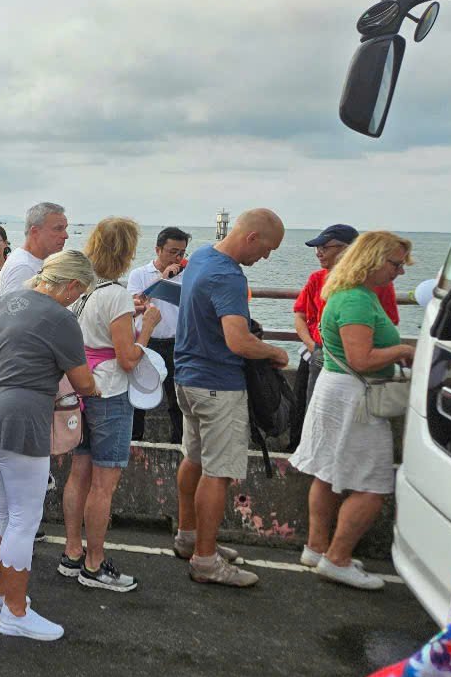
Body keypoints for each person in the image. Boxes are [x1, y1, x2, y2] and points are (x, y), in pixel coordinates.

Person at [0, 250, 97, 641]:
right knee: (24, 519)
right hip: (25, 417)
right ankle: (15, 611)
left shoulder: (3, 302)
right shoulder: (62, 318)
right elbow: (83, 384)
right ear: (73, 286)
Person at [290, 231, 415, 590]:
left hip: (336, 390)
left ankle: (316, 548)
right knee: (373, 486)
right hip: (354, 399)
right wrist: (402, 351)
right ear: (372, 260)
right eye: (395, 264)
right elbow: (361, 358)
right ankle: (338, 558)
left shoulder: (344, 293)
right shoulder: (359, 300)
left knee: (327, 473)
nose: (399, 272)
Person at [173, 208, 289, 587]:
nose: (266, 258)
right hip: (218, 384)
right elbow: (237, 340)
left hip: (187, 378)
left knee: (193, 457)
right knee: (218, 472)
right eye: (267, 249)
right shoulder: (229, 277)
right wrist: (274, 353)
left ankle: (189, 536)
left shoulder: (204, 257)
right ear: (251, 238)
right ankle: (205, 560)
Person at [60, 218, 159, 592]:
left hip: (81, 388)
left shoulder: (84, 289)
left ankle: (72, 553)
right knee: (104, 484)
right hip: (109, 394)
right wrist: (146, 324)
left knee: (79, 472)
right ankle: (95, 563)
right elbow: (129, 357)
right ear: (127, 252)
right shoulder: (115, 294)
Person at [290, 224, 400, 452]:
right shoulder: (320, 280)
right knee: (307, 411)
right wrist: (313, 347)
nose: (319, 252)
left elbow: (388, 322)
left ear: (349, 249)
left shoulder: (377, 286)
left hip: (345, 365)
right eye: (317, 248)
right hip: (321, 355)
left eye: (325, 247)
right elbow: (299, 315)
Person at [127, 226, 190, 443]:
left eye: (182, 253)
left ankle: (179, 442)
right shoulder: (140, 274)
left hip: (176, 341)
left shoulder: (187, 275)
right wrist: (162, 280)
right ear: (158, 249)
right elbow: (136, 303)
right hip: (147, 340)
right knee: (140, 394)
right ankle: (135, 440)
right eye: (172, 251)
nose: (178, 257)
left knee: (177, 398)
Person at [0, 203, 69, 298]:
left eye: (65, 228)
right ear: (35, 232)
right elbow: (13, 311)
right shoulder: (24, 268)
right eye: (58, 229)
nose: (66, 236)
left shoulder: (29, 261)